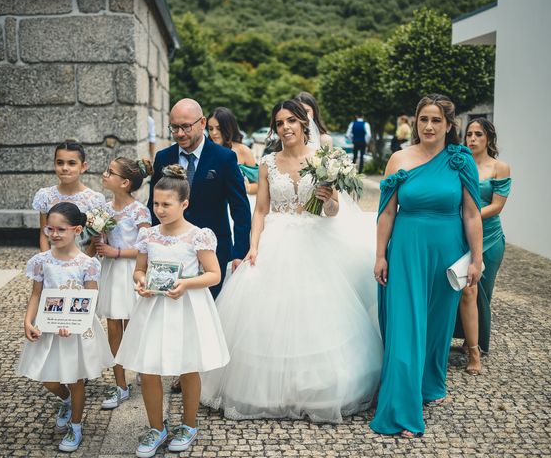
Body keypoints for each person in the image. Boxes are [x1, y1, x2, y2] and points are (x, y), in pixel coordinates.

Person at [200, 99, 382, 423]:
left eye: (291, 121)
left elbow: (333, 211)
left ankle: (315, 388)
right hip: (276, 240)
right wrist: (252, 247)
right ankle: (270, 390)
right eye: (279, 123)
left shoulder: (324, 160)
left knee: (317, 314)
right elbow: (260, 210)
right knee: (268, 314)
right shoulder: (268, 162)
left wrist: (328, 199)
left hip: (316, 241)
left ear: (303, 124)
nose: (285, 128)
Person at [370, 94, 483, 438]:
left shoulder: (461, 160)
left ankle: (428, 386)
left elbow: (471, 212)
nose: (429, 126)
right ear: (415, 123)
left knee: (436, 327)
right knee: (406, 326)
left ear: (450, 126)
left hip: (448, 252)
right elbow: (387, 212)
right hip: (407, 250)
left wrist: (477, 258)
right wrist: (379, 254)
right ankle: (401, 410)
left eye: (437, 120)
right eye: (423, 119)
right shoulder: (399, 159)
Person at [116, 165, 229, 457]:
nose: (160, 209)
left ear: (184, 204)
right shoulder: (149, 236)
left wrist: (186, 284)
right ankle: (157, 427)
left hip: (186, 307)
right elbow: (139, 270)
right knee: (148, 368)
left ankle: (189, 425)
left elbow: (214, 274)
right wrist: (140, 281)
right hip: (153, 307)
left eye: (167, 204)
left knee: (187, 366)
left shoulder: (198, 236)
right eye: (156, 203)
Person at [16, 202, 113, 452]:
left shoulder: (87, 263)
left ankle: (76, 425)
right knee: (49, 379)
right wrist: (28, 321)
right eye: (50, 229)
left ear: (77, 230)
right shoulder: (41, 261)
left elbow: (90, 300)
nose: (55, 234)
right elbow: (36, 294)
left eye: (61, 229)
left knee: (75, 378)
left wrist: (75, 324)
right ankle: (66, 400)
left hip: (76, 330)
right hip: (48, 326)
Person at [147, 98, 251, 298]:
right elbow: (154, 204)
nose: (179, 133)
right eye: (174, 127)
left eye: (186, 127)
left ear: (202, 123)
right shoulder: (163, 157)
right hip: (170, 250)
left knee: (206, 307)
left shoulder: (224, 158)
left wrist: (240, 253)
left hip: (211, 250)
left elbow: (240, 209)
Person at [93, 156, 152, 410]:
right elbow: (100, 239)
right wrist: (97, 239)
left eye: (110, 172)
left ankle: (140, 367)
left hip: (130, 270)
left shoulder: (139, 211)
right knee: (114, 325)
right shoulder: (104, 209)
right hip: (111, 272)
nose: (105, 174)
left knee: (134, 324)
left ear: (125, 182)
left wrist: (114, 251)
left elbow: (145, 248)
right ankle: (120, 384)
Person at [454, 118, 511, 374]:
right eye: (469, 135)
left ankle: (474, 342)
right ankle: (461, 334)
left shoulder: (500, 167)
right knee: (463, 287)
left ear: (489, 138)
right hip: (460, 233)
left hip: (490, 236)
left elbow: (498, 206)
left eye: (478, 134)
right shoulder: (459, 163)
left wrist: (470, 213)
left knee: (483, 290)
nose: (472, 139)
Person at [33, 140, 105, 252]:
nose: (65, 168)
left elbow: (95, 239)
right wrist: (47, 261)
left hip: (84, 260)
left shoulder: (94, 199)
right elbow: (44, 234)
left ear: (83, 166)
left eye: (71, 163)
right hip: (54, 259)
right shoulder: (46, 196)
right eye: (60, 162)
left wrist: (84, 263)